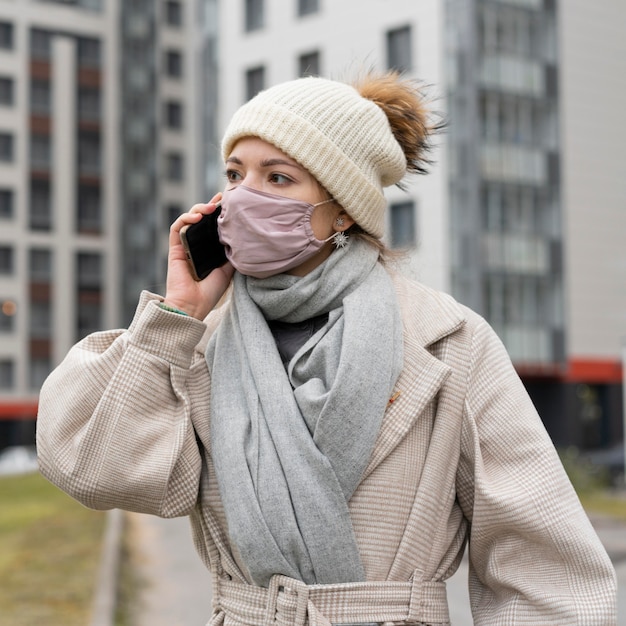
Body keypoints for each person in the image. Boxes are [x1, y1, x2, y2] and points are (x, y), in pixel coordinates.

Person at [36, 71, 616, 625]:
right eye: (234, 175)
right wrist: (177, 317)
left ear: (342, 208)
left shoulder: (447, 340)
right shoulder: (196, 344)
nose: (242, 197)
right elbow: (97, 472)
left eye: (277, 178)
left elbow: (542, 561)